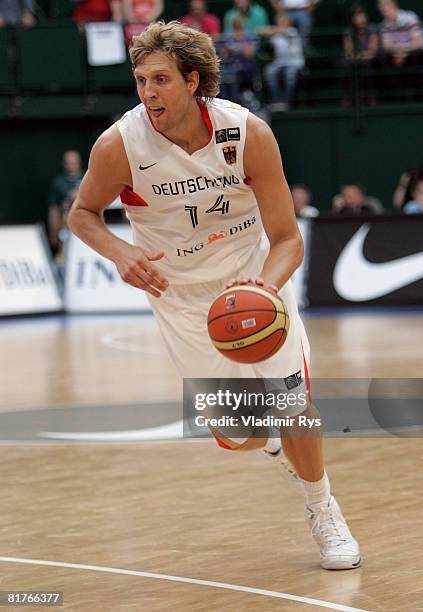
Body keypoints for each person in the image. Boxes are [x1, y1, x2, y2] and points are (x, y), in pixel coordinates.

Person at [68, 20, 361, 571]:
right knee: (243, 433)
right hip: (181, 297)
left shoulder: (247, 133)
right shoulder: (119, 145)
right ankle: (266, 441)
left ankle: (324, 510)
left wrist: (263, 287)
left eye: (160, 80)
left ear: (193, 80)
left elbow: (287, 241)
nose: (147, 93)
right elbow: (81, 214)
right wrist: (120, 251)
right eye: (139, 80)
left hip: (252, 279)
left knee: (294, 404)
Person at [258, 12, 304, 110]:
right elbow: (260, 31)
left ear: (289, 23)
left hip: (294, 62)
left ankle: (286, 102)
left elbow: (285, 32)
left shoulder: (293, 31)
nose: (281, 24)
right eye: (279, 22)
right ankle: (277, 102)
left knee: (289, 74)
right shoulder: (276, 34)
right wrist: (273, 30)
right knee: (269, 72)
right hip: (279, 62)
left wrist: (275, 30)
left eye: (284, 22)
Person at [48, 150, 84, 255]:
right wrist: (54, 232)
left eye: (74, 162)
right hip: (66, 224)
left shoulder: (88, 178)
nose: (71, 165)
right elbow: (54, 209)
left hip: (85, 222)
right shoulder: (58, 183)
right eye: (68, 162)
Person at [342, 4, 378, 105]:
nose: (360, 18)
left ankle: (370, 96)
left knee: (368, 66)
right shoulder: (348, 31)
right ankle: (348, 97)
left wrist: (361, 56)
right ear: (352, 19)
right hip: (355, 60)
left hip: (369, 60)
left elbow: (372, 51)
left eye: (362, 15)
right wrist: (359, 56)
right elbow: (348, 52)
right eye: (357, 16)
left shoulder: (372, 28)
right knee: (348, 66)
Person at [218, 15, 258, 104]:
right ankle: (225, 103)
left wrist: (234, 47)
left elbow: (249, 54)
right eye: (235, 23)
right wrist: (227, 51)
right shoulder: (228, 36)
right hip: (230, 65)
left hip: (246, 66)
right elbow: (223, 57)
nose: (237, 25)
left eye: (239, 23)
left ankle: (236, 102)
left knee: (233, 75)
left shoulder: (249, 36)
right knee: (222, 74)